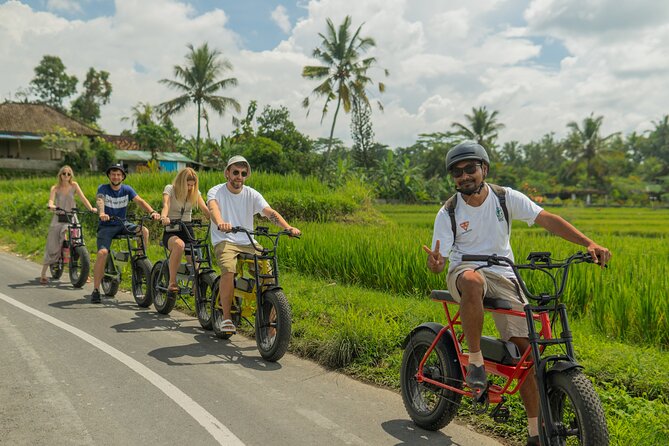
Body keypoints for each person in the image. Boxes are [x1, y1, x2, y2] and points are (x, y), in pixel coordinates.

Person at [422, 141, 611, 446]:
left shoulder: (503, 197)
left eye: (470, 168)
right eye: (457, 172)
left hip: (505, 274)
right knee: (472, 281)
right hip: (465, 273)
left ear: (484, 168)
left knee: (528, 353)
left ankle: (535, 435)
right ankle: (476, 362)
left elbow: (546, 218)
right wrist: (436, 264)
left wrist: (588, 243)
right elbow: (439, 260)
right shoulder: (449, 211)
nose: (464, 175)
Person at [207, 155, 301, 334]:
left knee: (268, 274)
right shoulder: (216, 191)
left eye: (243, 173)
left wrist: (288, 227)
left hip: (248, 241)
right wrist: (221, 222)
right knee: (228, 269)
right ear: (227, 173)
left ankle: (272, 324)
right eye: (235, 172)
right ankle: (226, 318)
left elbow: (269, 212)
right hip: (225, 239)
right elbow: (213, 208)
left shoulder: (252, 194)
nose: (239, 177)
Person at [91, 163, 160, 303]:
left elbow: (140, 200)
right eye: (113, 174)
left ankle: (140, 262)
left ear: (123, 177)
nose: (116, 177)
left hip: (123, 224)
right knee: (102, 253)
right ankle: (96, 290)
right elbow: (100, 201)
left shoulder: (127, 189)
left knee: (143, 231)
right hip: (107, 226)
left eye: (118, 174)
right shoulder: (103, 188)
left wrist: (152, 212)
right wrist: (102, 212)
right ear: (109, 176)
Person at [40, 165, 97, 284]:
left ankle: (84, 273)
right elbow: (51, 200)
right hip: (58, 218)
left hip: (72, 217)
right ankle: (43, 273)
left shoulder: (74, 185)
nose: (66, 176)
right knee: (52, 244)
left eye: (68, 174)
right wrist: (51, 205)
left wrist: (91, 208)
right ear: (60, 175)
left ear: (71, 176)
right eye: (64, 173)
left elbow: (83, 198)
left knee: (79, 240)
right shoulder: (55, 188)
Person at [159, 167, 210, 295]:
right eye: (187, 184)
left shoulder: (194, 192)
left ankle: (196, 284)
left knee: (195, 258)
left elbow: (205, 209)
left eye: (192, 185)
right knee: (179, 245)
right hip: (171, 229)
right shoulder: (170, 189)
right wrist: (164, 217)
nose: (190, 187)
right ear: (181, 182)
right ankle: (172, 282)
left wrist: (217, 219)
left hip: (187, 228)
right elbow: (166, 205)